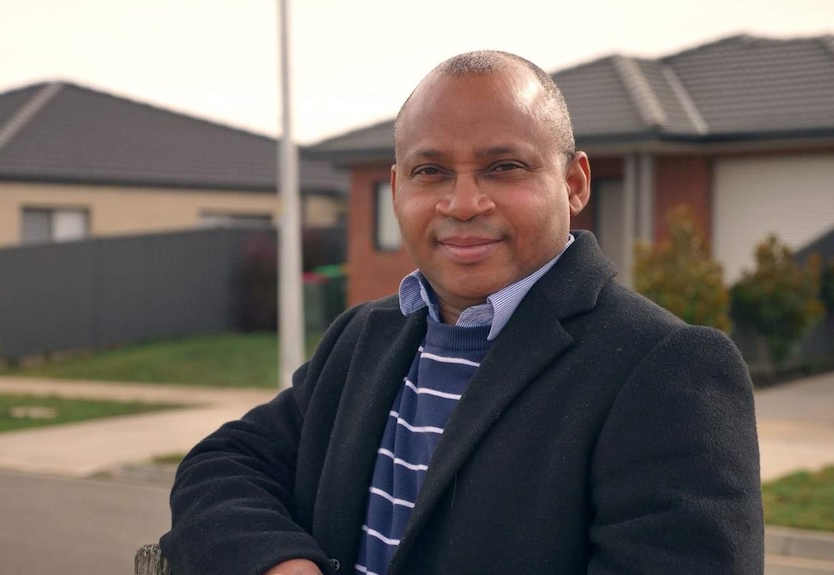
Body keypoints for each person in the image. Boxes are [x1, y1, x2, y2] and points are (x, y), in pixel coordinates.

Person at [160, 51, 764, 575]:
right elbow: (223, 464)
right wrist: (280, 562)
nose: (463, 202)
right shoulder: (365, 337)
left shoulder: (667, 368)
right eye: (432, 172)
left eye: (504, 167)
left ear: (575, 183)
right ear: (397, 188)